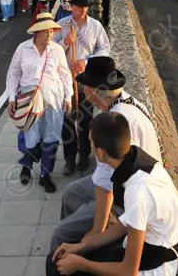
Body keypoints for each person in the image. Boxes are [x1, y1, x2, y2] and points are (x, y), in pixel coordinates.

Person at [49, 112, 178, 276]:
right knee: (60, 260)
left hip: (155, 266)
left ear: (100, 153)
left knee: (59, 268)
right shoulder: (137, 161)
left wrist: (81, 264)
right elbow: (124, 225)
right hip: (146, 249)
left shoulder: (138, 192)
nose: (90, 145)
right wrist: (82, 246)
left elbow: (128, 271)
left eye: (91, 143)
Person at [51, 56, 162, 255]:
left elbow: (106, 187)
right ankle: (76, 242)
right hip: (125, 178)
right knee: (71, 193)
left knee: (60, 233)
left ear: (93, 92)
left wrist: (96, 233)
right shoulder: (124, 104)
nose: (83, 90)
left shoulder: (116, 122)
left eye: (85, 85)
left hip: (129, 194)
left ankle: (68, 254)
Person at [6, 13, 72, 193]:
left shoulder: (57, 49)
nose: (50, 35)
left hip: (53, 100)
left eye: (52, 31)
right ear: (37, 32)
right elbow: (14, 74)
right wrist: (12, 98)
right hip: (29, 102)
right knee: (29, 136)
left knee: (50, 137)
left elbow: (65, 74)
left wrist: (68, 97)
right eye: (46, 31)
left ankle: (45, 175)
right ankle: (26, 165)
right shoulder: (23, 49)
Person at [55, 0, 112, 176]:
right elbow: (51, 51)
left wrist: (87, 62)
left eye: (86, 7)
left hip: (86, 81)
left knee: (85, 121)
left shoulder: (95, 26)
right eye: (80, 8)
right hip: (66, 81)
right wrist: (65, 42)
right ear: (72, 7)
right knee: (67, 122)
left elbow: (105, 47)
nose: (84, 11)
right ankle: (69, 159)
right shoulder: (61, 25)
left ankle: (84, 156)